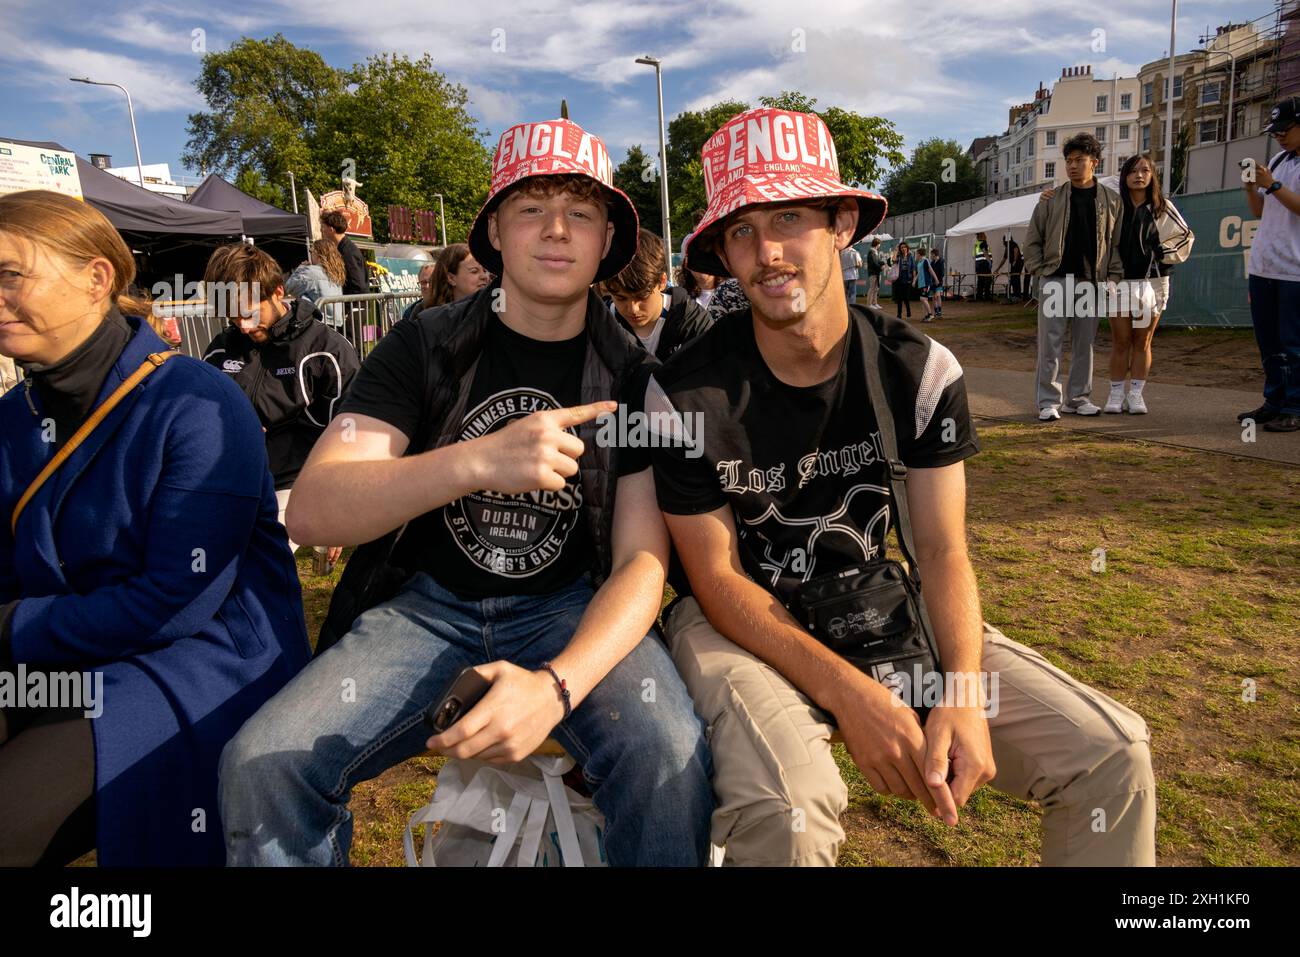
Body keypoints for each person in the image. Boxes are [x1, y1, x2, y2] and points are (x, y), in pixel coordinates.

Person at [650, 107, 1155, 867]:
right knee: (788, 810)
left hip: (873, 608)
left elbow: (944, 548)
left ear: (842, 222)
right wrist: (852, 696)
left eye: (789, 216)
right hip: (739, 627)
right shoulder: (681, 397)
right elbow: (715, 580)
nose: (767, 252)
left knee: (1112, 754)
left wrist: (960, 692)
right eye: (743, 231)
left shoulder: (919, 369)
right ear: (721, 248)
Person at [218, 117, 714, 867]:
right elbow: (318, 505)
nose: (556, 229)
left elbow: (642, 561)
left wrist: (557, 686)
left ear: (608, 238)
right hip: (425, 611)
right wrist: (477, 461)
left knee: (668, 756)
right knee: (262, 764)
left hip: (571, 608)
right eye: (530, 208)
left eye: (581, 211)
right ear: (493, 233)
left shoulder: (632, 378)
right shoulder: (424, 344)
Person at [0, 189, 310, 866]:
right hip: (65, 655)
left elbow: (174, 600)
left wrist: (12, 630)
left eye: (10, 275)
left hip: (196, 666)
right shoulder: (12, 417)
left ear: (97, 276)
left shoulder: (196, 402)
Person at [201, 243, 359, 563]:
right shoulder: (220, 349)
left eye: (248, 312)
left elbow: (351, 432)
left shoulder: (328, 349)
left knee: (255, 562)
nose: (243, 326)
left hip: (295, 481)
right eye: (233, 317)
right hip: (233, 478)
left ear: (277, 292)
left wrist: (340, 501)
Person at [1023, 132, 1124, 421]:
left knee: (1084, 345)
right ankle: (1048, 401)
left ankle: (1078, 399)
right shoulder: (1051, 199)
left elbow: (1115, 244)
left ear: (1095, 162)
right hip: (1055, 279)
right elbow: (1033, 240)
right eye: (1068, 161)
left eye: (1079, 160)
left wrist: (1113, 278)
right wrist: (1041, 271)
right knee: (1050, 343)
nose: (1072, 166)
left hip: (1092, 282)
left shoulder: (1112, 201)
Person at [1106, 155, 1193, 414]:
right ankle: (1114, 395)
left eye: (1145, 170)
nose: (1139, 175)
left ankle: (1136, 395)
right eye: (1133, 171)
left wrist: (1161, 251)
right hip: (1119, 282)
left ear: (1153, 175)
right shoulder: (1115, 206)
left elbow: (1185, 237)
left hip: (1153, 283)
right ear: (1124, 176)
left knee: (1142, 341)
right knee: (1121, 340)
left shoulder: (1162, 207)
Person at [1238, 97, 1300, 432]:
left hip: (1295, 269)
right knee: (1269, 342)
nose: (1279, 136)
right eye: (1275, 131)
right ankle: (1274, 400)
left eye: (1285, 129)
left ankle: (1295, 405)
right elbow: (1259, 211)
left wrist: (1272, 185)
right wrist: (1252, 187)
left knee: (1293, 343)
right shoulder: (1279, 158)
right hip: (1264, 266)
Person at [605, 228, 712, 361]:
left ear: (662, 281)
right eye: (621, 298)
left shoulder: (695, 323)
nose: (633, 309)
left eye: (642, 296)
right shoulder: (599, 322)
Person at [285, 238, 347, 327]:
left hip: (318, 322)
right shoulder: (336, 272)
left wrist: (300, 268)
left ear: (318, 253)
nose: (310, 254)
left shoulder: (311, 272)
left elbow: (289, 287)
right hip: (336, 322)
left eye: (311, 251)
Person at [319, 210, 369, 296]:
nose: (321, 230)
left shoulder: (348, 252)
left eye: (323, 227)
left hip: (355, 306)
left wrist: (347, 305)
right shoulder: (343, 248)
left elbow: (358, 285)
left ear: (331, 229)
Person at [996, 236, 1025, 303]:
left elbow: (1016, 250)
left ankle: (1017, 295)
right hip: (1013, 263)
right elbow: (1004, 259)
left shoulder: (1012, 244)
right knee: (1013, 278)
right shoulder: (1007, 247)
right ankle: (1015, 294)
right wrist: (997, 269)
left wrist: (1015, 260)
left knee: (1015, 278)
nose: (1003, 242)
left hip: (1018, 263)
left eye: (1003, 240)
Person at [893, 241, 915, 319]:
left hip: (908, 279)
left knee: (906, 298)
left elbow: (913, 269)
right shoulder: (899, 256)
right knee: (899, 298)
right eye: (901, 247)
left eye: (904, 247)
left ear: (907, 248)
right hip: (899, 279)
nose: (903, 249)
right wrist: (896, 251)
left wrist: (914, 279)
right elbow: (893, 260)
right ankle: (899, 314)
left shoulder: (911, 256)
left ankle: (908, 313)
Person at [915, 246, 937, 322]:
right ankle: (926, 315)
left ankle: (930, 314)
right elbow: (919, 273)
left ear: (919, 254)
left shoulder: (925, 261)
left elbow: (931, 270)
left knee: (923, 299)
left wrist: (936, 279)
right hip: (921, 283)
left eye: (916, 254)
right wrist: (914, 280)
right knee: (923, 300)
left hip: (926, 283)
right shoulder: (919, 262)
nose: (916, 255)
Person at [973, 231, 993, 301]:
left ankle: (979, 295)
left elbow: (974, 256)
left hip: (978, 266)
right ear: (982, 235)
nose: (985, 235)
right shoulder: (983, 243)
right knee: (988, 280)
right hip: (985, 265)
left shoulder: (976, 244)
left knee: (980, 281)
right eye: (984, 234)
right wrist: (989, 261)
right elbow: (985, 253)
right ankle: (987, 295)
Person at [866, 237, 885, 308]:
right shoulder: (871, 251)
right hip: (873, 273)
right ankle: (869, 304)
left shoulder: (875, 251)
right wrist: (881, 267)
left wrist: (883, 263)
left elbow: (878, 261)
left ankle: (874, 303)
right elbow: (873, 263)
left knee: (876, 289)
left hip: (877, 273)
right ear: (877, 244)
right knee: (872, 288)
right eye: (879, 244)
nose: (880, 245)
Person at [929, 246, 946, 318]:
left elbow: (942, 273)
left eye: (931, 255)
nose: (930, 256)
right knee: (933, 297)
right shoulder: (932, 262)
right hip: (932, 282)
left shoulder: (941, 261)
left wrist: (938, 281)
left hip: (939, 282)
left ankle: (939, 312)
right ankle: (936, 312)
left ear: (934, 255)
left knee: (937, 296)